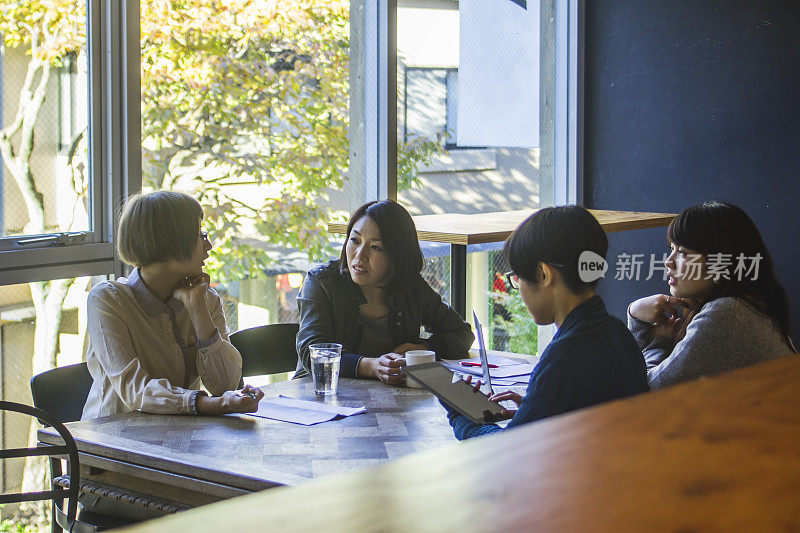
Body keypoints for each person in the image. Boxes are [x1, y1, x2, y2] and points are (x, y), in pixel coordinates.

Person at [442, 206, 649, 440]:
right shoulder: (618, 332)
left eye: (516, 278)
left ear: (543, 274)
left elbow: (504, 453)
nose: (517, 287)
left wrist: (460, 412)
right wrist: (536, 408)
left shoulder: (563, 358)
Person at [82, 191, 264, 420]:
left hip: (182, 437)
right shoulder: (108, 300)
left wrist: (198, 309)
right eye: (200, 235)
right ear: (169, 240)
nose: (208, 244)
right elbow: (136, 391)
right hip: (112, 443)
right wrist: (213, 404)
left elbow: (225, 384)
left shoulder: (206, 298)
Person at [296, 200, 474, 384]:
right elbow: (314, 352)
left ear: (397, 255)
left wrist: (423, 347)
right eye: (355, 241)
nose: (360, 255)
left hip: (392, 398)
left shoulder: (411, 287)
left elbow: (462, 333)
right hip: (322, 397)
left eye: (375, 247)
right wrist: (372, 366)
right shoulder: (322, 282)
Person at [627, 201, 796, 389]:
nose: (668, 262)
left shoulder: (728, 315)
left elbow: (644, 390)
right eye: (672, 249)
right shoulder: (747, 304)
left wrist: (656, 339)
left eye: (682, 252)